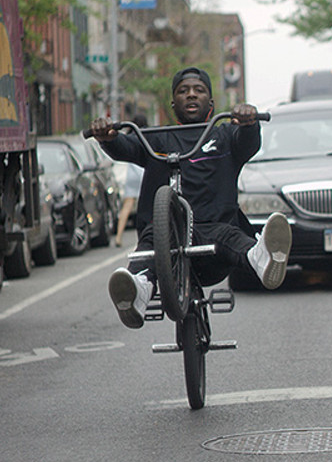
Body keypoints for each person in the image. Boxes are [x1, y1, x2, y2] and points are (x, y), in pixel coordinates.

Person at [87, 66, 291, 329]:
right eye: (183, 91)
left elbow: (248, 143)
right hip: (164, 240)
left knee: (232, 237)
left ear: (211, 101)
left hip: (215, 235)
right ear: (174, 103)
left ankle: (263, 258)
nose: (191, 95)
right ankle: (137, 294)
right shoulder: (157, 139)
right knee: (145, 251)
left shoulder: (225, 133)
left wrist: (249, 123)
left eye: (199, 90)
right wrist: (108, 137)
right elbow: (126, 147)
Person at [113, 113, 147, 248]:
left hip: (132, 174)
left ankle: (118, 236)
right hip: (144, 172)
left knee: (127, 206)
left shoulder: (129, 136)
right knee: (150, 203)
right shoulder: (147, 135)